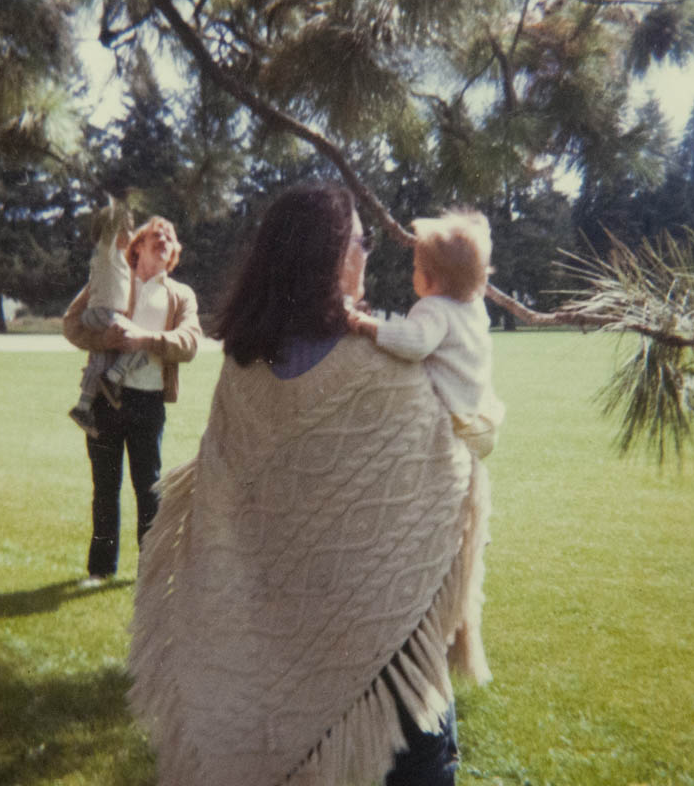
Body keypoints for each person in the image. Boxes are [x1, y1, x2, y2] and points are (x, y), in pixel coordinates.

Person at [127, 183, 493, 786]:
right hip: (390, 677)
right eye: (361, 241)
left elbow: (223, 513)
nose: (368, 254)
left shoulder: (242, 371)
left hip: (268, 654)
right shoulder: (388, 374)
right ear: (328, 256)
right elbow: (449, 481)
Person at [63, 215, 202, 587]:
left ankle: (152, 574)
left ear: (173, 254)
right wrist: (103, 341)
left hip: (148, 403)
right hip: (103, 402)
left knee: (148, 489)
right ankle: (100, 570)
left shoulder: (180, 294)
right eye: (157, 233)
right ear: (136, 245)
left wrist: (145, 339)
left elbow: (189, 343)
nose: (165, 239)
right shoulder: (109, 280)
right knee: (105, 488)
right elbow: (71, 325)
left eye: (171, 237)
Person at [348, 209, 505, 459]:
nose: (413, 273)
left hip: (455, 422)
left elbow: (415, 342)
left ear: (430, 279)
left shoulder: (434, 308)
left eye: (416, 268)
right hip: (481, 418)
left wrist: (370, 325)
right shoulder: (474, 306)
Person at [68, 195, 147, 438]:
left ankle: (82, 407)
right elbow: (110, 230)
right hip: (103, 313)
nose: (131, 235)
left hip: (103, 314)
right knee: (139, 340)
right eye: (127, 229)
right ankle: (113, 379)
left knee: (99, 363)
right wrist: (118, 210)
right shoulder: (107, 253)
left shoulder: (117, 262)